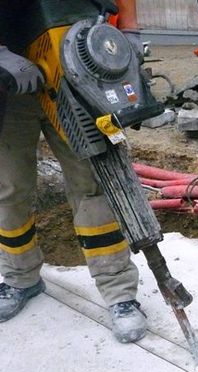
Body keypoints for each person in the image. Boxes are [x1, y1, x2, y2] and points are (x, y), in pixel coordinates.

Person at [0, 0, 147, 343]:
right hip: (8, 78)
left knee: (93, 181)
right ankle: (19, 276)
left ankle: (119, 292)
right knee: (9, 186)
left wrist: (129, 29)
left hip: (73, 57)